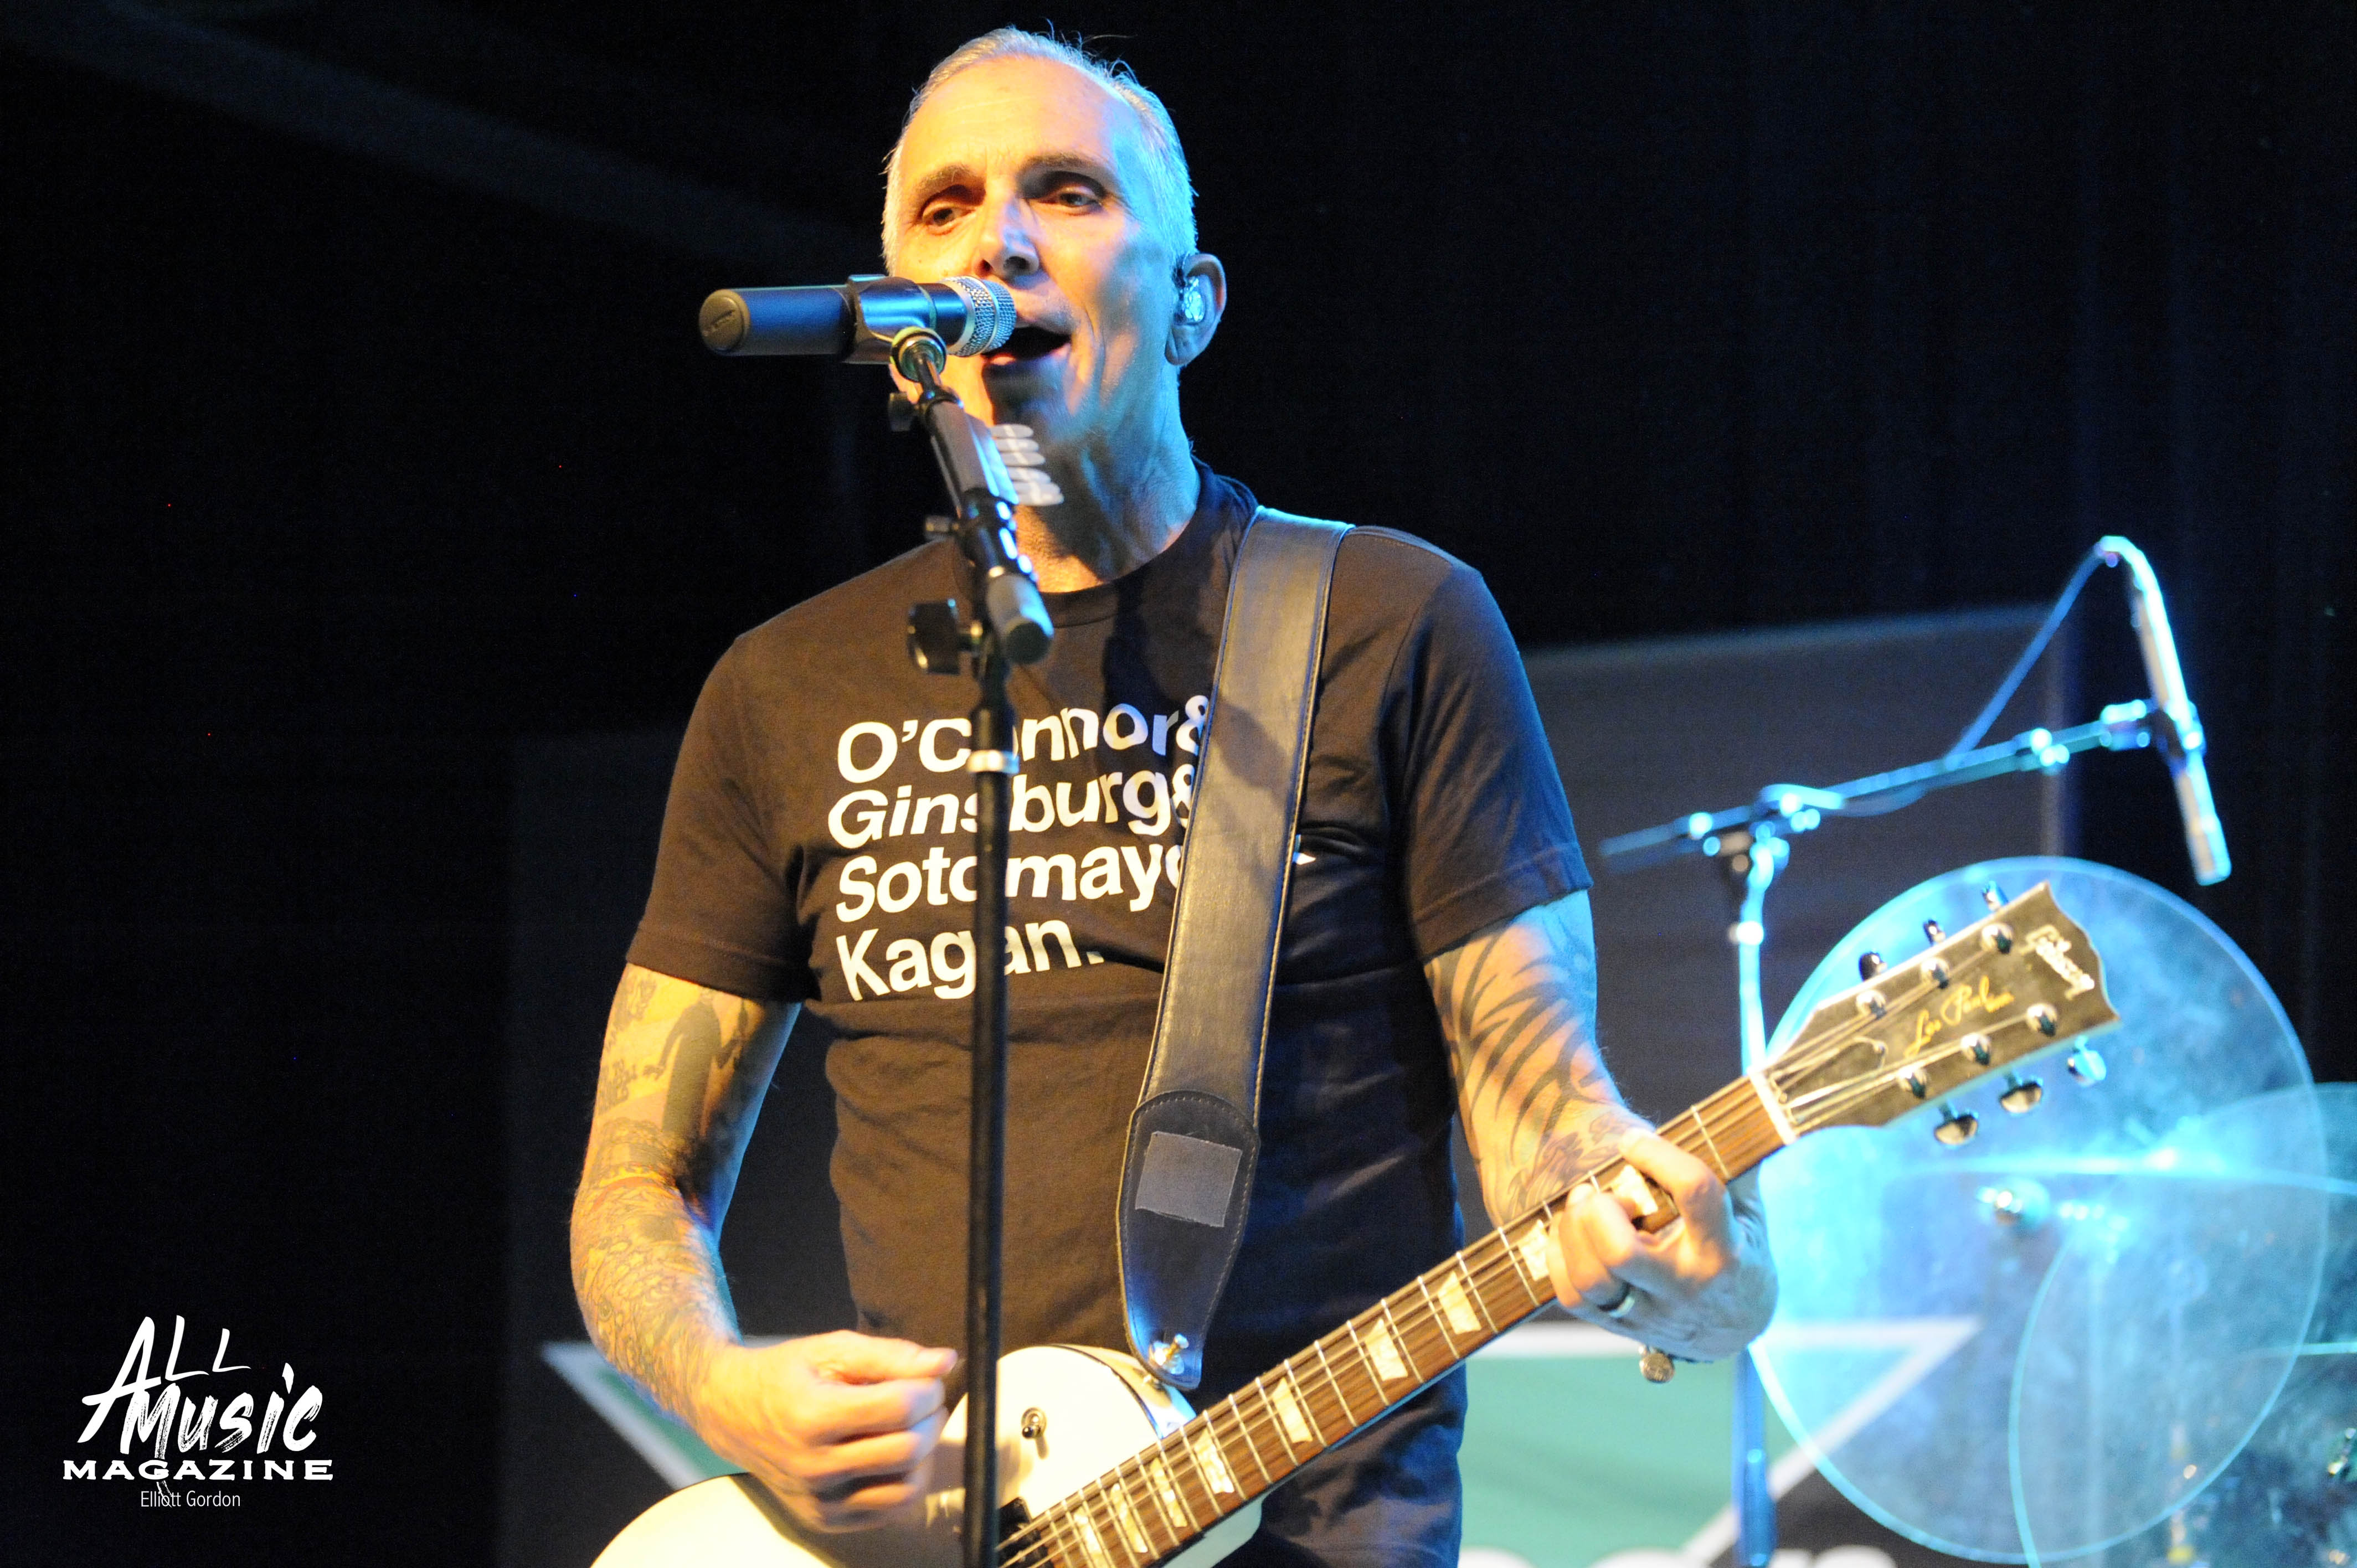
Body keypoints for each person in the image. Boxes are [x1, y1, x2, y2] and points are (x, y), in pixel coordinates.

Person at [570, 28, 1775, 1567]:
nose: (998, 241)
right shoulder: (782, 688)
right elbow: (638, 1180)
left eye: (1066, 192)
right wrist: (724, 1388)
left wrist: (1638, 1220)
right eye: (946, 207)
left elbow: (1542, 1102)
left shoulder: (1388, 625)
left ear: (1194, 302)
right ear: (892, 317)